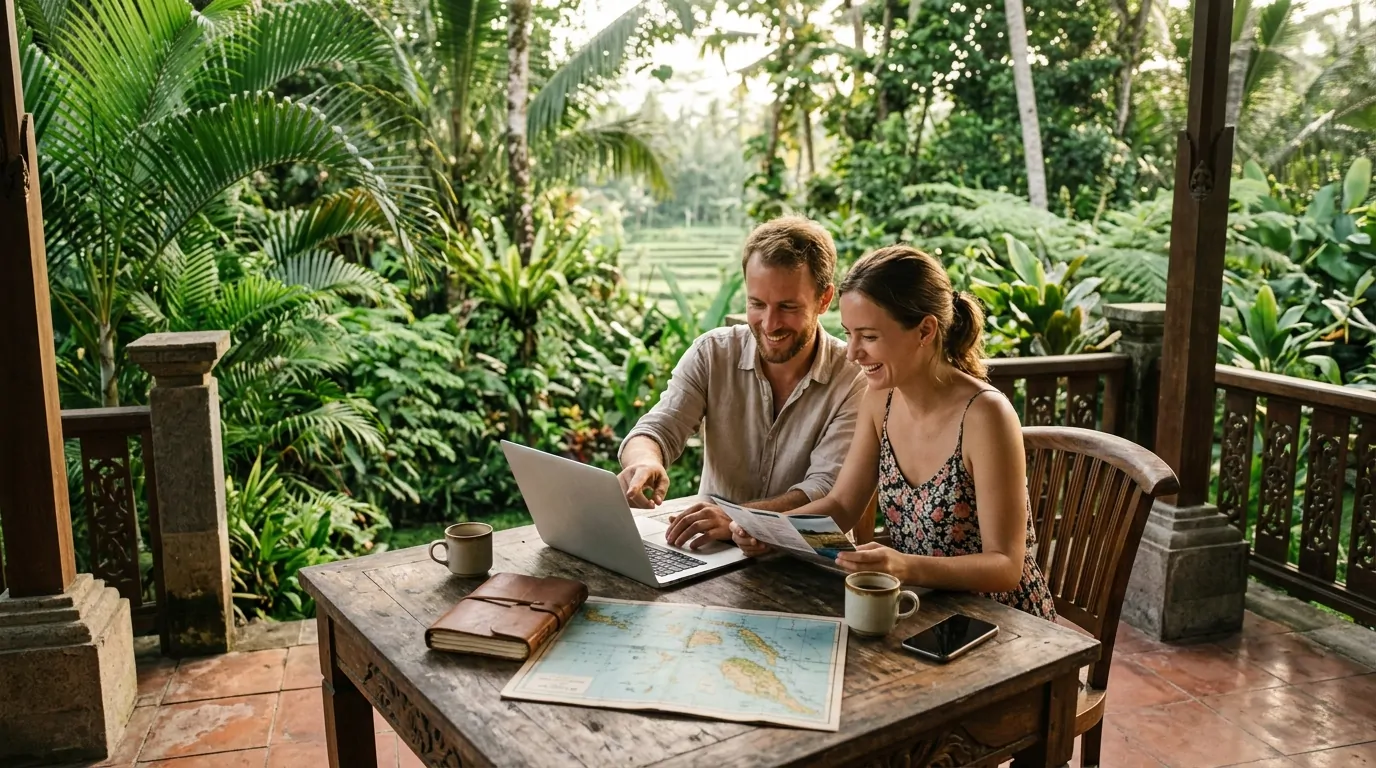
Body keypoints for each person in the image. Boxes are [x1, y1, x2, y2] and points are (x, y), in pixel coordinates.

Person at [731, 245, 1056, 620]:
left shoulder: (986, 416)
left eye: (869, 337)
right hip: (921, 606)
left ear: (925, 331)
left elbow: (1006, 566)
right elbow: (842, 506)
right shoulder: (880, 400)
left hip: (1001, 619)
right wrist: (776, 533)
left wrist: (904, 566)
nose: (852, 353)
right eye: (849, 334)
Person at [617, 216, 865, 550]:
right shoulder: (712, 353)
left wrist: (741, 518)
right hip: (712, 549)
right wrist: (644, 460)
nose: (770, 324)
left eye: (787, 307)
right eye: (757, 304)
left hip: (809, 555)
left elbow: (826, 490)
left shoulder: (854, 377)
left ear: (824, 299)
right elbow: (658, 428)